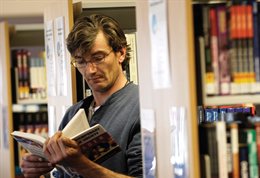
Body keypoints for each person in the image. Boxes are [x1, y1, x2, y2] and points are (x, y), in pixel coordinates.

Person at [20, 14, 143, 178]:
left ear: (121, 53)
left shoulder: (143, 107)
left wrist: (81, 165)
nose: (90, 70)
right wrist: (36, 173)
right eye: (81, 62)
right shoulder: (73, 114)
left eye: (98, 58)